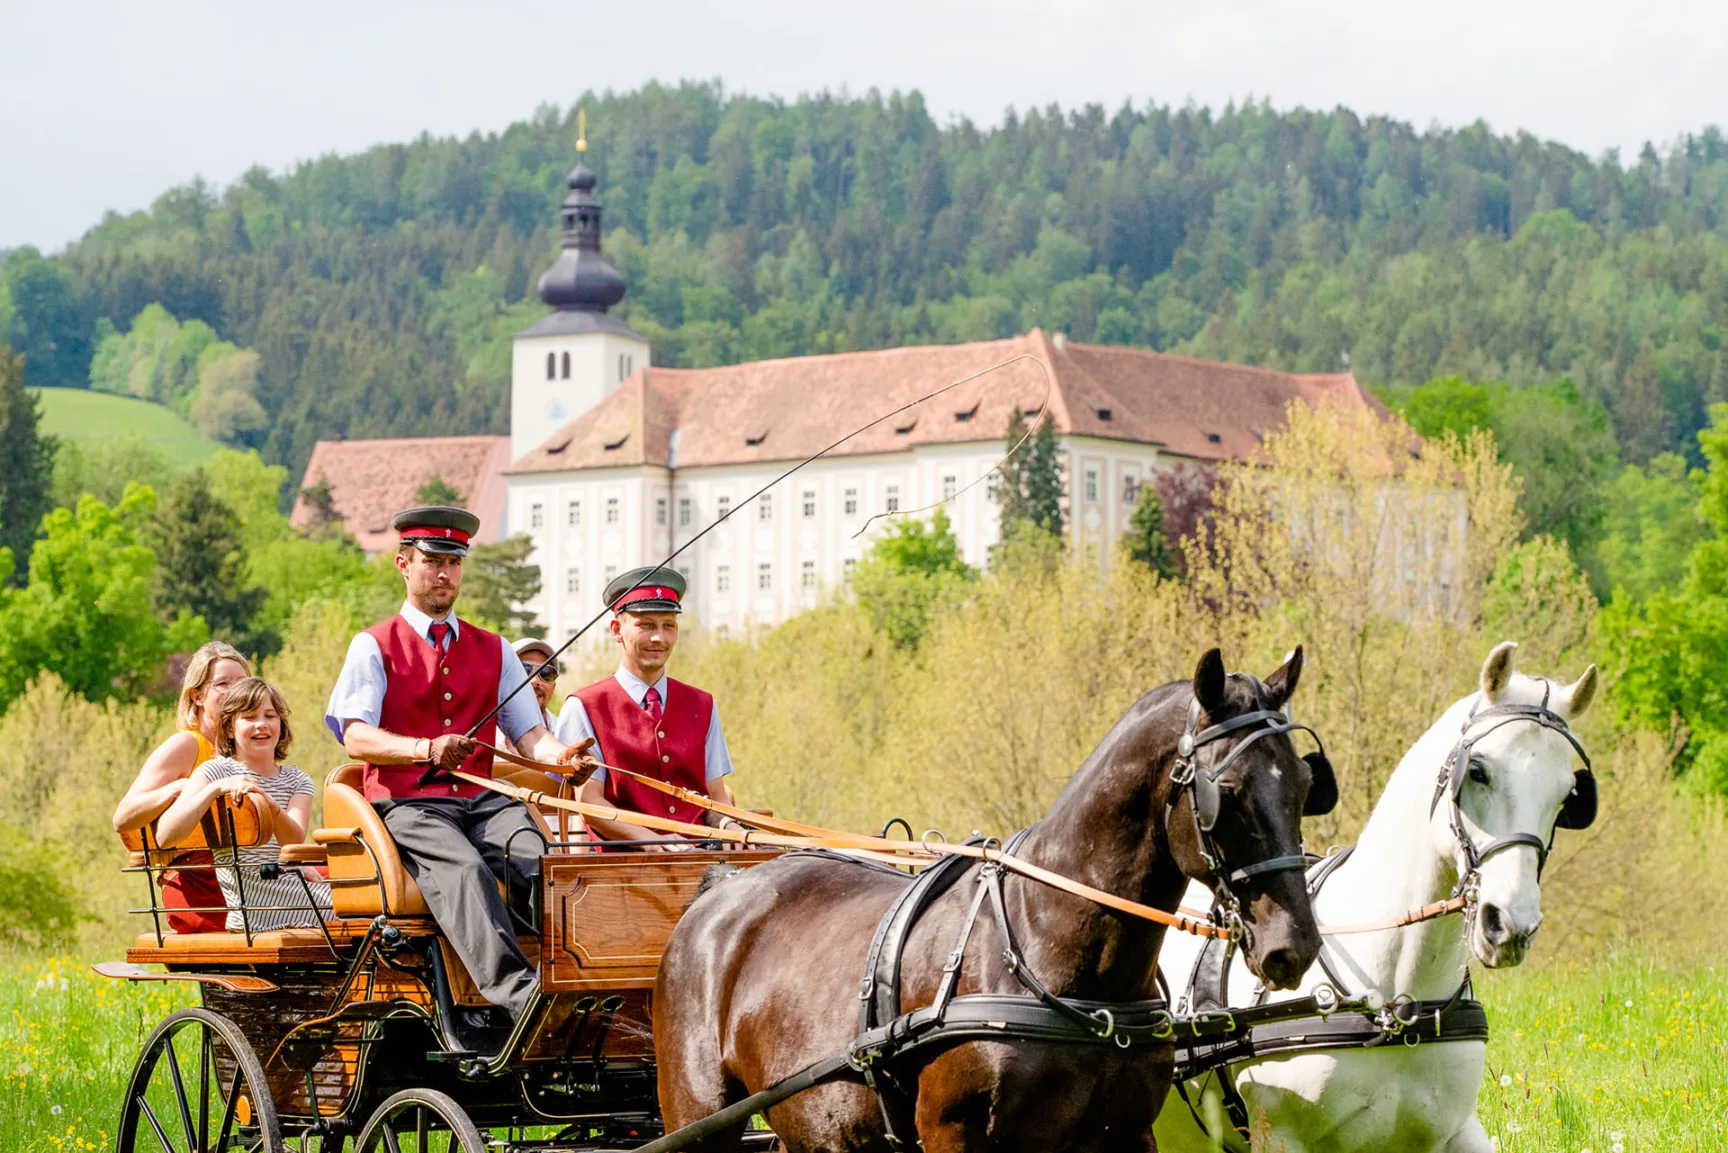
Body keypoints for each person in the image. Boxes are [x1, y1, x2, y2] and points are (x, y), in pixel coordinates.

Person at [325, 506, 593, 1041]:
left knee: (540, 861)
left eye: (453, 562)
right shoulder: (372, 645)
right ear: (404, 564)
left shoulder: (494, 649)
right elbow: (355, 736)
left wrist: (564, 757)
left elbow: (529, 737)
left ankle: (581, 981)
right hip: (407, 805)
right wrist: (426, 748)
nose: (444, 574)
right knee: (466, 872)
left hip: (484, 800)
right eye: (432, 562)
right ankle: (523, 999)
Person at [556, 567, 742, 850]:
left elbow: (715, 794)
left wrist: (729, 824)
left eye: (668, 625)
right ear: (617, 630)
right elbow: (589, 802)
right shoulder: (583, 706)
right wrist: (651, 841)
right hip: (624, 865)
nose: (659, 638)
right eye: (646, 625)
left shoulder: (703, 704)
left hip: (702, 857)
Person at [157, 678, 331, 932]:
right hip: (255, 907)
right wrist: (215, 789)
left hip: (293, 889)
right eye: (249, 717)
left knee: (366, 904)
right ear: (229, 728)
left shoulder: (297, 780)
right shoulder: (215, 771)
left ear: (281, 725)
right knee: (358, 914)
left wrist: (268, 804)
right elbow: (165, 835)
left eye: (270, 716)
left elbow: (293, 841)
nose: (261, 724)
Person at [114, 640, 252, 933]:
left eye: (242, 682)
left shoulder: (248, 750)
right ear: (198, 696)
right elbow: (123, 817)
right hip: (196, 884)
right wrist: (182, 788)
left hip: (244, 877)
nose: (235, 690)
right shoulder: (187, 745)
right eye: (223, 683)